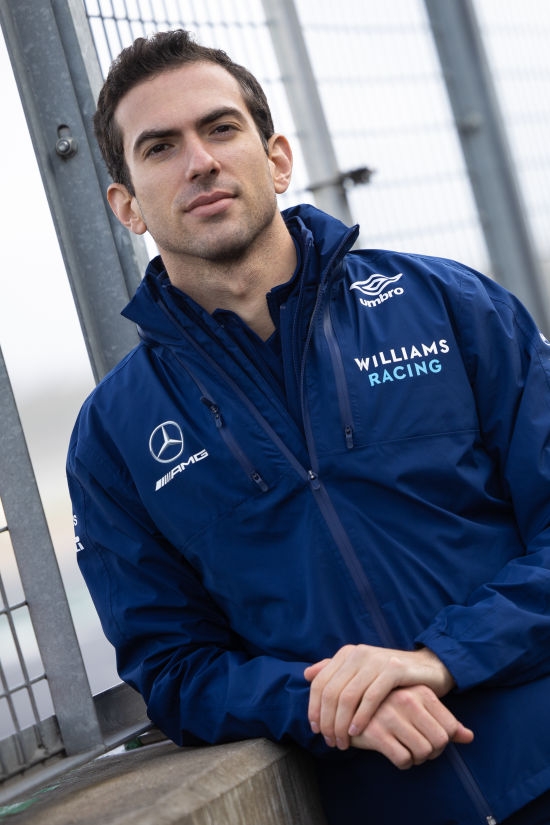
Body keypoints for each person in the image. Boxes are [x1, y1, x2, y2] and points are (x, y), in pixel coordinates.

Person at [67, 29, 550, 825]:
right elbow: (176, 669)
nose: (200, 162)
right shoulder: (115, 438)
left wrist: (441, 659)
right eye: (160, 147)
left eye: (220, 128)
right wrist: (325, 698)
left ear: (278, 158)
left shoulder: (450, 308)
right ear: (127, 207)